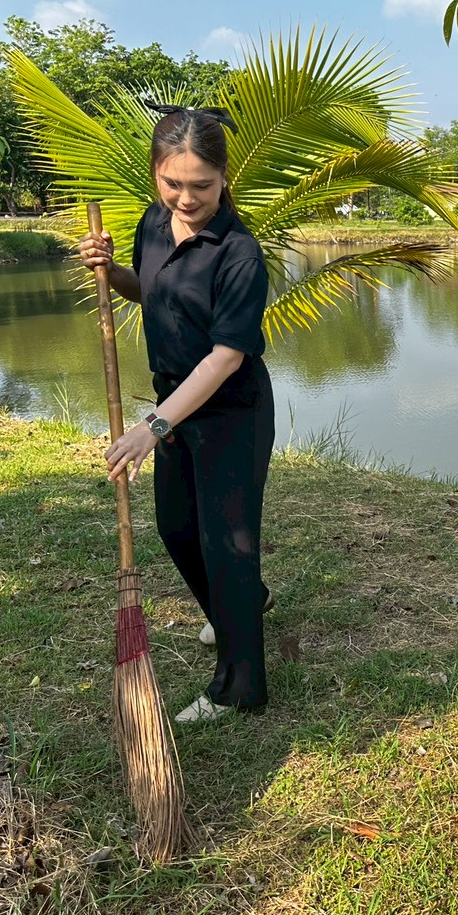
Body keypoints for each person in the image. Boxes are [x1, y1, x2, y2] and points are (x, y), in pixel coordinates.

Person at [78, 101, 275, 725]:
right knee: (176, 529)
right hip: (172, 405)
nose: (185, 199)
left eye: (201, 186)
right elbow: (151, 289)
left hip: (229, 413)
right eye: (173, 183)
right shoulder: (153, 223)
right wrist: (110, 272)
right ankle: (239, 610)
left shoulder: (239, 253)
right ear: (156, 173)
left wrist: (153, 425)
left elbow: (225, 358)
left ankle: (240, 687)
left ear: (225, 181)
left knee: (228, 546)